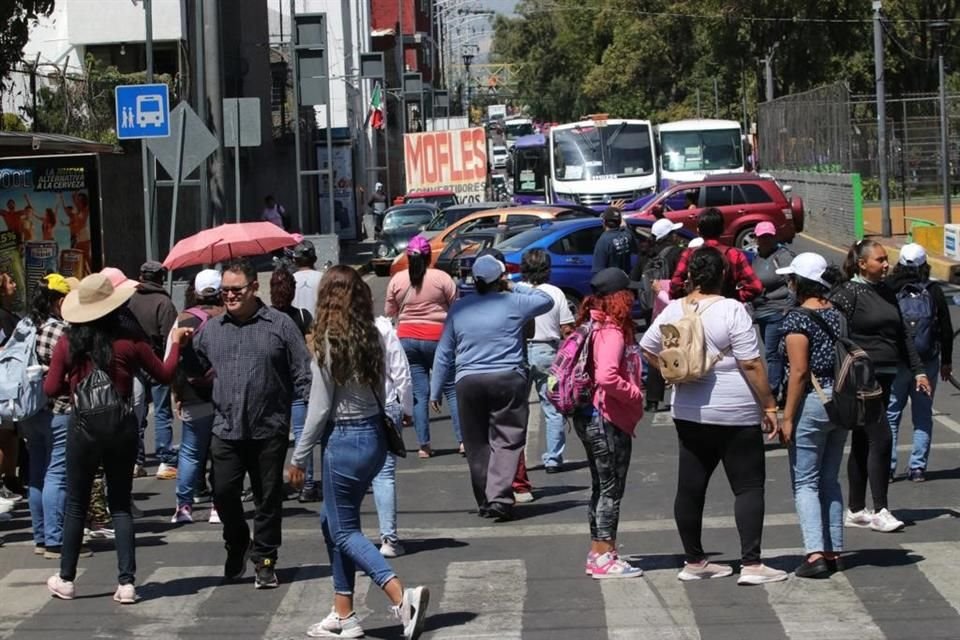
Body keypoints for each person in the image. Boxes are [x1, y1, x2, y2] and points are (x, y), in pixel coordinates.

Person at [287, 266, 429, 640]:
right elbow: (385, 389)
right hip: (373, 436)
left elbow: (318, 408)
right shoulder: (373, 333)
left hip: (345, 438)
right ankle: (343, 611)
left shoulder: (328, 340)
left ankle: (400, 597)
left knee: (344, 530)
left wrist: (299, 456)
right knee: (329, 522)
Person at [640, 248, 787, 585]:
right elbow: (751, 363)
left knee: (690, 487)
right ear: (723, 275)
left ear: (690, 275)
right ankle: (751, 565)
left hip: (688, 410)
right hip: (735, 411)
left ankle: (694, 560)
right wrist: (768, 406)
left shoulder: (674, 308)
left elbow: (647, 348)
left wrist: (672, 373)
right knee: (748, 486)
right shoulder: (732, 309)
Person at [44, 273, 190, 602]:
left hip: (82, 429)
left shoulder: (69, 342)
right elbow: (165, 374)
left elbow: (51, 389)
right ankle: (126, 583)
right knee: (121, 505)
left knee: (77, 504)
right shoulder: (129, 340)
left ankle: (66, 579)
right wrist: (176, 342)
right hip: (122, 428)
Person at [183, 258, 312, 589]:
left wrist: (312, 414)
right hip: (225, 428)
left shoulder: (280, 325)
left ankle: (266, 561)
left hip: (269, 427)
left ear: (254, 288)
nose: (229, 296)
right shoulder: (212, 329)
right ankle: (237, 541)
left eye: (236, 289)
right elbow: (196, 371)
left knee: (267, 500)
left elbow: (302, 372)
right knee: (224, 493)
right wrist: (183, 351)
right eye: (224, 290)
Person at [431, 254, 553, 522]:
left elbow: (444, 353)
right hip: (507, 378)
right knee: (506, 440)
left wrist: (436, 389)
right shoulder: (514, 300)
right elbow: (547, 300)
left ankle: (486, 500)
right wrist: (514, 285)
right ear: (500, 279)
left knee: (476, 444)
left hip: (468, 381)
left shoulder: (460, 308)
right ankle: (499, 497)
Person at [831, 240, 930, 532]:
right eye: (880, 260)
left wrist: (919, 371)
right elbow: (835, 333)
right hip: (862, 379)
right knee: (882, 437)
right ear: (862, 264)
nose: (886, 264)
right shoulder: (848, 293)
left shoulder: (886, 291)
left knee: (863, 441)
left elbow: (903, 335)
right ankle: (880, 509)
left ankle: (856, 509)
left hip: (887, 375)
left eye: (887, 259)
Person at [776, 253, 848, 578]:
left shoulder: (796, 319)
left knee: (805, 481)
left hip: (813, 401)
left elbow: (799, 372)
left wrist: (787, 416)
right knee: (830, 479)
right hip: (842, 401)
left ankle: (814, 553)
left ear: (798, 283)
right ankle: (834, 551)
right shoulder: (838, 313)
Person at [574, 268, 645, 578]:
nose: (632, 297)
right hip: (606, 417)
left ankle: (599, 553)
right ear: (619, 297)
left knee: (601, 488)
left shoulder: (592, 324)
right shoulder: (612, 331)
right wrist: (634, 393)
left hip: (588, 415)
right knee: (611, 491)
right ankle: (605, 555)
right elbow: (607, 375)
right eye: (627, 293)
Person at [22, 274, 86, 559]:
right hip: (59, 407)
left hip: (29, 409)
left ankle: (40, 537)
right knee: (57, 474)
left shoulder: (25, 327)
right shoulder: (61, 331)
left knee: (37, 472)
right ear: (59, 301)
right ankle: (55, 540)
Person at [385, 235, 463, 458]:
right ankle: (462, 441)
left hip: (407, 340)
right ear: (430, 256)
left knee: (419, 392)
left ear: (408, 257)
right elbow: (455, 307)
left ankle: (423, 445)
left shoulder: (398, 280)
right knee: (450, 389)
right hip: (438, 339)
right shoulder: (442, 278)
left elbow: (390, 311)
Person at [885, 244, 953, 482]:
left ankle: (888, 468)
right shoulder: (933, 290)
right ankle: (917, 468)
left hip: (897, 360)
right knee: (922, 414)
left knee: (892, 413)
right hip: (927, 361)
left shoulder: (889, 288)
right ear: (925, 264)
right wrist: (947, 361)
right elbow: (945, 328)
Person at [168, 270, 225, 525]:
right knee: (221, 452)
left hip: (192, 393)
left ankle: (184, 507)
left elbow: (173, 359)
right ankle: (218, 506)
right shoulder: (229, 317)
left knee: (190, 452)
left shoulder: (183, 319)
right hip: (224, 393)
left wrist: (177, 393)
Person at [520, 248, 574, 473]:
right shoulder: (555, 293)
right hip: (547, 352)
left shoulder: (517, 291)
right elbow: (567, 328)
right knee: (552, 407)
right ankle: (553, 458)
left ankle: (517, 460)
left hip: (519, 351)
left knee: (517, 408)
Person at [270, 266, 319, 503]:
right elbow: (312, 352)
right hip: (298, 385)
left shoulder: (266, 318)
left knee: (273, 438)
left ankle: (273, 485)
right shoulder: (302, 316)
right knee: (302, 435)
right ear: (292, 292)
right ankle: (307, 484)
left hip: (273, 386)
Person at [127, 261, 179, 480]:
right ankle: (165, 459)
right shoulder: (164, 302)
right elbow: (170, 337)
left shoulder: (129, 300)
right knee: (161, 411)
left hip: (134, 363)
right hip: (157, 362)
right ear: (160, 278)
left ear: (141, 275)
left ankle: (136, 461)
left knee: (136, 412)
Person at [373, 315, 414, 558]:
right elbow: (400, 371)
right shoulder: (383, 328)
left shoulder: (333, 327)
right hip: (386, 405)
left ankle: (347, 536)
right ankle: (388, 538)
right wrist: (407, 408)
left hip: (348, 413)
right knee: (384, 474)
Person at [634, 218, 685, 413]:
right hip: (672, 305)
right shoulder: (676, 253)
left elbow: (634, 278)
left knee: (655, 349)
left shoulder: (646, 254)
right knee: (677, 349)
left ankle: (653, 400)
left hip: (651, 308)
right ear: (670, 236)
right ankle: (679, 392)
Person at [669, 208, 762, 303]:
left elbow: (675, 285)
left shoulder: (689, 254)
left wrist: (687, 296)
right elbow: (756, 286)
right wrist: (733, 297)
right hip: (724, 309)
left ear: (698, 230)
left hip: (695, 308)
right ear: (722, 229)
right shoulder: (734, 254)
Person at [750, 221, 796, 398]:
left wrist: (788, 307)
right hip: (761, 312)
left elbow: (793, 282)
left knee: (771, 353)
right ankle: (783, 388)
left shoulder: (782, 256)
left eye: (769, 237)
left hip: (777, 312)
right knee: (775, 353)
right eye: (762, 237)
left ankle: (772, 391)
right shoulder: (756, 257)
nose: (765, 241)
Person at [592, 207, 638, 274]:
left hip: (611, 281)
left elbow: (598, 270)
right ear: (619, 221)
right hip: (625, 279)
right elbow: (624, 226)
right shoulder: (627, 235)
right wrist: (616, 212)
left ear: (604, 222)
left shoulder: (603, 241)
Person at [291, 240, 324, 321]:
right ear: (315, 259)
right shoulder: (323, 278)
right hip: (318, 326)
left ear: (294, 260)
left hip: (296, 327)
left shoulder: (290, 279)